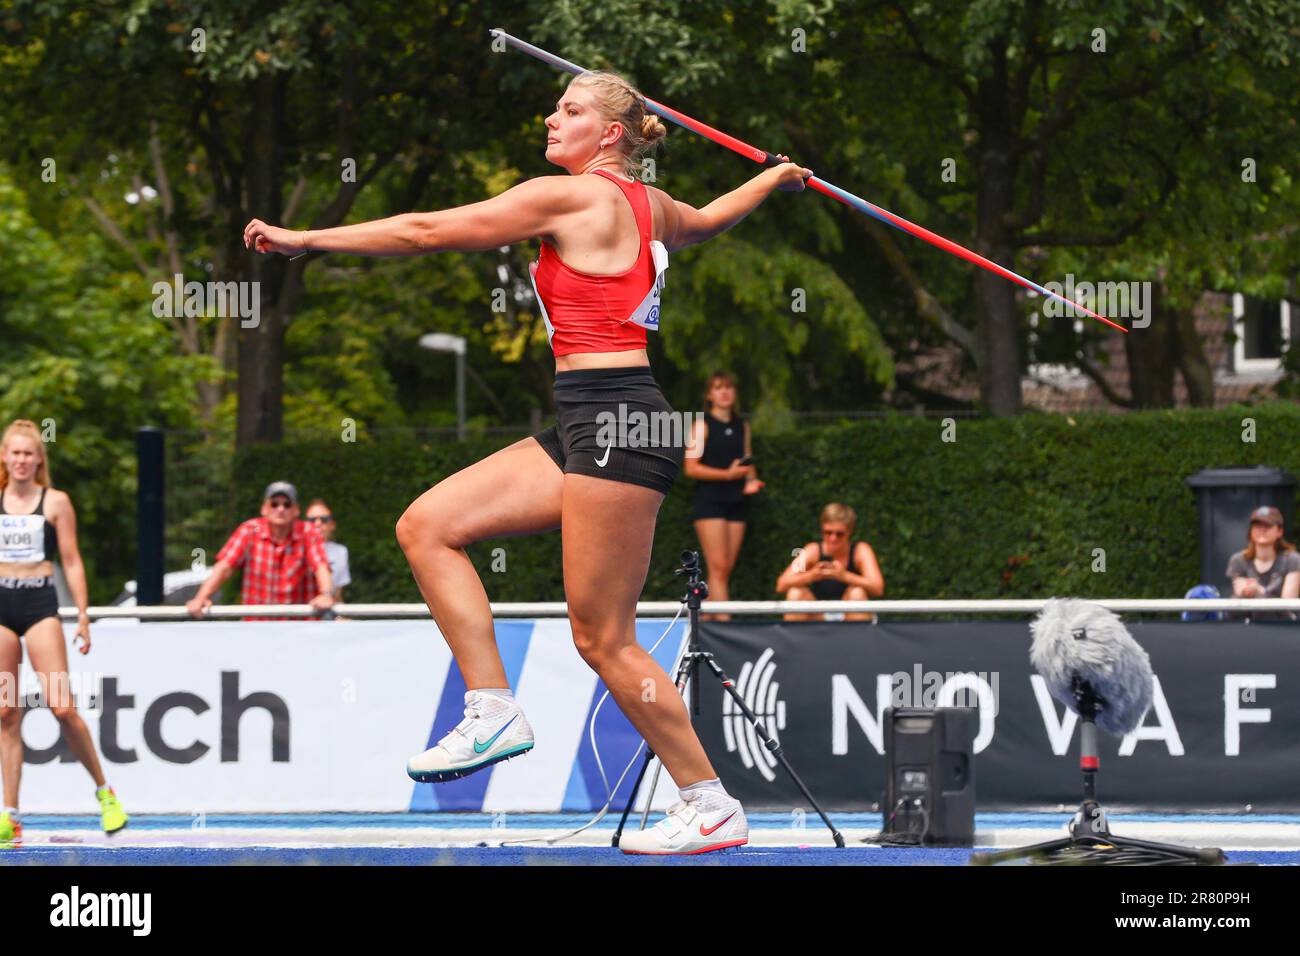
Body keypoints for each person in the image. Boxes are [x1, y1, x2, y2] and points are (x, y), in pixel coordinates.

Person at [243, 69, 811, 854]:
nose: (552, 119)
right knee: (428, 526)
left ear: (610, 133)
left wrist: (307, 240)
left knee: (603, 638)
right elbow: (713, 218)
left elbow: (423, 232)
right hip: (591, 417)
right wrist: (775, 178)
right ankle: (493, 708)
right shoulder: (657, 210)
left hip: (618, 416)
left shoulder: (567, 196)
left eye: (570, 110)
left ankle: (709, 801)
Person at [0, 420, 128, 846]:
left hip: (38, 606)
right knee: (5, 712)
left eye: (28, 453)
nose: (20, 461)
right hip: (1, 607)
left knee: (61, 707)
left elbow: (71, 560)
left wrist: (85, 615)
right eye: (14, 453)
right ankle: (11, 814)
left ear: (39, 458)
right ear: (4, 456)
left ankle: (106, 793)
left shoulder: (55, 502)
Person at [185, 482, 335, 620]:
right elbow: (225, 567)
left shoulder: (308, 533)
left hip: (299, 627)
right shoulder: (249, 530)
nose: (280, 509)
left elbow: (321, 566)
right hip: (257, 627)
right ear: (264, 509)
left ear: (296, 510)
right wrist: (201, 597)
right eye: (274, 504)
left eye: (287, 504)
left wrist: (326, 595)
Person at [685, 371, 763, 620]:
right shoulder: (702, 425)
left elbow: (747, 460)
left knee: (724, 569)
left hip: (736, 501)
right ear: (710, 395)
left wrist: (751, 480)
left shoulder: (742, 425)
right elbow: (691, 467)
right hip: (710, 501)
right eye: (718, 388)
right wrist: (727, 475)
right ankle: (726, 627)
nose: (725, 392)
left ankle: (706, 621)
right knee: (718, 567)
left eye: (728, 387)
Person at [776, 502, 884, 622]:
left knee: (856, 593)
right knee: (795, 593)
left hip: (849, 614)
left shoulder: (861, 550)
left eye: (839, 534)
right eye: (828, 533)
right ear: (822, 529)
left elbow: (877, 588)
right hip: (818, 615)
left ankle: (857, 640)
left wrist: (845, 576)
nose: (833, 538)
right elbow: (781, 584)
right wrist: (812, 576)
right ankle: (795, 640)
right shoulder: (812, 550)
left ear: (850, 531)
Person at [1225, 506, 1300, 622]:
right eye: (1258, 526)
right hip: (1246, 625)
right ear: (1251, 531)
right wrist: (1244, 590)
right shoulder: (1238, 560)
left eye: (1268, 526)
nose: (1262, 530)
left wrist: (1260, 591)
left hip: (1282, 627)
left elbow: (1288, 605)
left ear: (1279, 531)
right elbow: (1238, 595)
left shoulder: (1292, 560)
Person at [305, 499, 350, 600]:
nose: (318, 523)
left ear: (332, 525)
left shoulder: (341, 552)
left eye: (324, 519)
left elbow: (338, 594)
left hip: (328, 610)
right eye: (312, 520)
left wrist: (340, 615)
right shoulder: (294, 548)